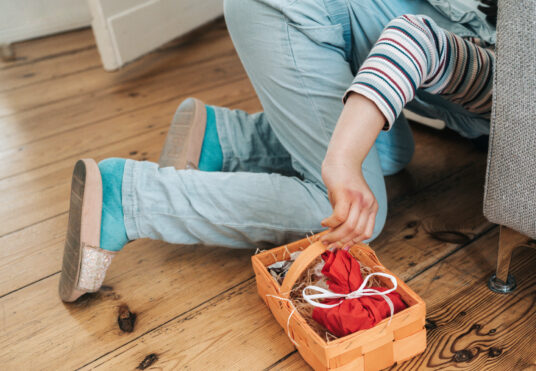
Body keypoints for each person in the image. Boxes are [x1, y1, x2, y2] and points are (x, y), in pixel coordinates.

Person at [59, 0, 496, 302]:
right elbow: (412, 42)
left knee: (390, 150)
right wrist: (341, 161)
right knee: (359, 212)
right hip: (283, 11)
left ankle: (224, 138)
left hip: (319, 18)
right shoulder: (521, 78)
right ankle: (130, 197)